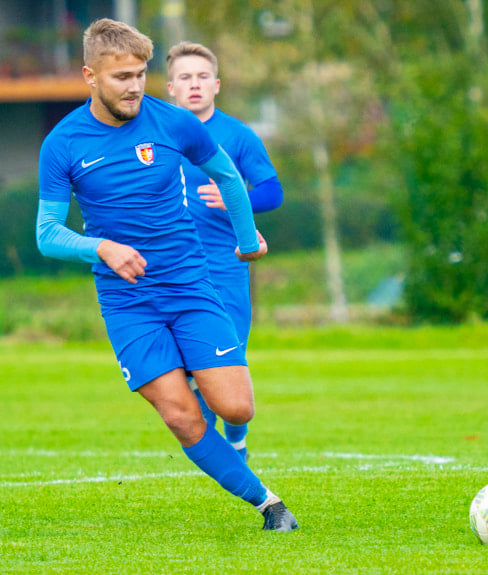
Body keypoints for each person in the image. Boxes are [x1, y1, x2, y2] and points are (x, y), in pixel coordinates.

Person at [36, 18, 297, 532]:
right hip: (128, 301)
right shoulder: (62, 143)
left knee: (237, 408)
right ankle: (270, 506)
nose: (134, 86)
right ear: (90, 75)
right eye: (120, 77)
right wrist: (101, 247)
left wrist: (247, 241)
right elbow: (46, 233)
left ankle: (194, 369)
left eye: (140, 74)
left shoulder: (175, 122)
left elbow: (226, 174)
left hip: (190, 285)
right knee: (181, 416)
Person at [165, 41, 284, 463]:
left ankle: (237, 434)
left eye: (201, 77)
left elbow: (272, 190)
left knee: (227, 359)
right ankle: (215, 450)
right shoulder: (156, 133)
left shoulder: (237, 135)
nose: (193, 85)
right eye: (184, 77)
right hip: (171, 269)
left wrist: (238, 198)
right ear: (170, 88)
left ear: (216, 85)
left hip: (225, 265)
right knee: (185, 367)